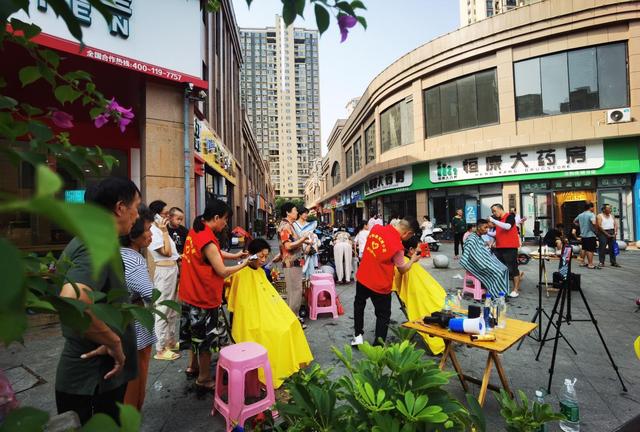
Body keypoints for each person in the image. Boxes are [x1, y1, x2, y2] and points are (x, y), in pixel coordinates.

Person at [55, 177, 140, 425]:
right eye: (136, 206)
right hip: (92, 382)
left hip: (97, 380)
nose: (137, 214)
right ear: (120, 207)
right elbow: (72, 302)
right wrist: (113, 341)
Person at [179, 199, 250, 393]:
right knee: (204, 339)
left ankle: (192, 367)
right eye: (225, 219)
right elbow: (221, 271)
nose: (226, 224)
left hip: (189, 291)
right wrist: (245, 264)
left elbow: (214, 254)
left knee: (195, 334)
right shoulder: (208, 238)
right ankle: (203, 378)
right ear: (216, 217)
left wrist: (235, 256)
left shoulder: (197, 229)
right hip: (202, 295)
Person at [226, 239, 313, 388]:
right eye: (260, 256)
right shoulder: (240, 273)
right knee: (277, 332)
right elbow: (236, 299)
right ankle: (275, 371)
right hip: (252, 317)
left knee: (292, 323)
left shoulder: (261, 272)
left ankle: (290, 365)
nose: (263, 260)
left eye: (265, 256)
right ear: (251, 255)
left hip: (268, 311)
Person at [352, 217, 421, 346]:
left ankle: (358, 336)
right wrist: (413, 260)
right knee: (383, 315)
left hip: (363, 277)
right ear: (408, 233)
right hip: (380, 284)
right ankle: (378, 346)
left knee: (359, 305)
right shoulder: (398, 247)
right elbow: (402, 269)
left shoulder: (376, 229)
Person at [120, 205, 156, 411]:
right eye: (148, 229)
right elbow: (150, 294)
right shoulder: (134, 259)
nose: (151, 234)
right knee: (137, 378)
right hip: (136, 327)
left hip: (123, 323)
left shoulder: (119, 253)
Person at [393, 235, 445, 355]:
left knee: (442, 300)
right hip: (418, 297)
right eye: (418, 250)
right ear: (411, 250)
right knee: (438, 304)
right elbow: (409, 288)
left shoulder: (407, 262)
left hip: (425, 292)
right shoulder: (406, 264)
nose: (420, 252)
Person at [148, 200, 181, 361]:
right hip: (164, 270)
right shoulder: (154, 232)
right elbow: (167, 252)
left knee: (173, 308)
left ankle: (170, 341)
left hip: (172, 269)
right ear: (156, 215)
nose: (167, 217)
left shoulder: (161, 231)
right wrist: (165, 231)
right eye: (165, 214)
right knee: (163, 307)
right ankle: (160, 348)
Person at [278, 202, 311, 321]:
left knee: (295, 290)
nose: (297, 212)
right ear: (288, 212)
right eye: (295, 210)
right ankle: (294, 318)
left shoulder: (290, 225)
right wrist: (303, 239)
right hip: (291, 263)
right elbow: (288, 246)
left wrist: (304, 242)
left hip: (296, 262)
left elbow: (290, 243)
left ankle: (293, 317)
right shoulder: (285, 226)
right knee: (295, 291)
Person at [460, 219, 509, 299]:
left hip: (483, 261)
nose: (487, 229)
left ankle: (502, 292)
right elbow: (469, 253)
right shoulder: (472, 238)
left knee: (505, 269)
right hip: (477, 264)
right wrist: (483, 261)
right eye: (485, 227)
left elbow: (481, 250)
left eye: (488, 228)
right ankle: (496, 295)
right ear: (478, 228)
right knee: (498, 272)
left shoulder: (479, 237)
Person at [489, 204, 523, 298]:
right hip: (500, 247)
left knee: (513, 269)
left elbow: (507, 227)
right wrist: (485, 232)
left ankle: (515, 289)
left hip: (510, 247)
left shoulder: (510, 217)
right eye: (492, 212)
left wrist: (493, 220)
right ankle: (503, 287)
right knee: (501, 268)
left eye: (494, 211)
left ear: (500, 209)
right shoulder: (499, 220)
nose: (494, 213)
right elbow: (497, 233)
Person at [293, 207, 320, 280]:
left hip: (309, 248)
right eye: (304, 213)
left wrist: (309, 244)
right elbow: (295, 237)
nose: (306, 215)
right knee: (301, 267)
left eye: (307, 213)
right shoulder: (294, 225)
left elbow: (312, 235)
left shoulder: (310, 224)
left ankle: (309, 285)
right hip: (299, 249)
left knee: (311, 267)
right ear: (300, 214)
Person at [574, 201, 599, 269]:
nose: (593, 208)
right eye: (593, 207)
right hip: (590, 234)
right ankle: (590, 264)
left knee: (584, 248)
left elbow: (574, 221)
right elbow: (593, 223)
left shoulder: (580, 215)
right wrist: (597, 230)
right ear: (590, 207)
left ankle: (582, 262)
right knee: (590, 250)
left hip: (583, 235)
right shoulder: (591, 214)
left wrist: (581, 226)